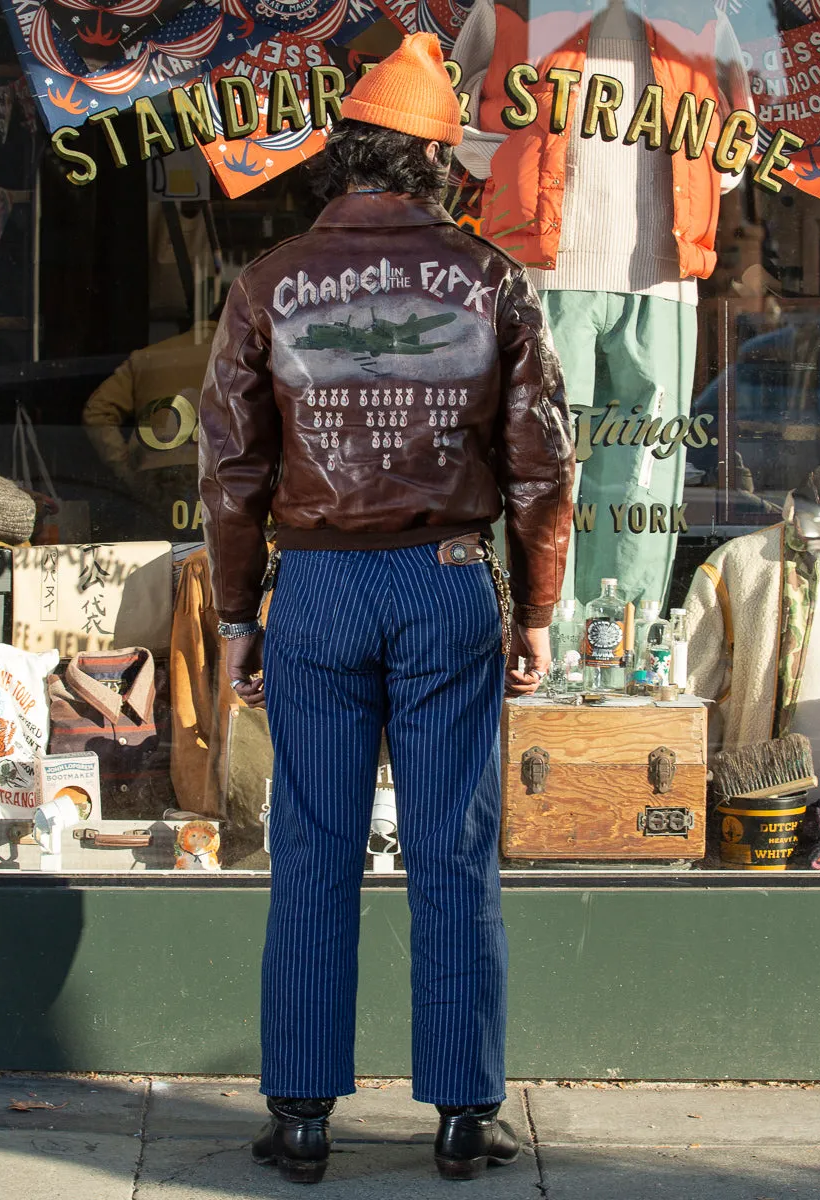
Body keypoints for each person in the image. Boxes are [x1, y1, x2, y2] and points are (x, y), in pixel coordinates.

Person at [198, 31, 573, 1184]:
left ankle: (303, 1117)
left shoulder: (268, 282)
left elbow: (230, 471)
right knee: (454, 845)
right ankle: (464, 1116)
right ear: (434, 164)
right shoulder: (491, 279)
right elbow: (544, 464)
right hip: (447, 581)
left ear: (343, 156)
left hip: (314, 585)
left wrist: (239, 615)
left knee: (312, 843)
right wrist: (538, 611)